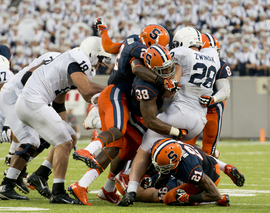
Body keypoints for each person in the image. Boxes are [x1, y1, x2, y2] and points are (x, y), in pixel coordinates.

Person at [68, 44, 188, 205]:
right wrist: (176, 131)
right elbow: (151, 120)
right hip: (121, 103)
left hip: (127, 107)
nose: (168, 72)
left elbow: (162, 82)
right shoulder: (145, 83)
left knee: (123, 151)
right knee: (137, 142)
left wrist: (169, 77)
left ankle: (101, 188)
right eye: (164, 69)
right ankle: (95, 132)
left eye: (169, 67)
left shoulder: (145, 61)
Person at [117, 26, 221, 206]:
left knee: (145, 148)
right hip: (199, 121)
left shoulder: (182, 53)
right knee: (177, 154)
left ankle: (132, 190)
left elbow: (161, 62)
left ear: (182, 42)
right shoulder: (214, 57)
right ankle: (171, 183)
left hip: (180, 113)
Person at [1, 36, 110, 204]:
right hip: (32, 101)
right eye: (100, 57)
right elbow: (87, 90)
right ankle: (58, 192)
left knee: (70, 137)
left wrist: (65, 124)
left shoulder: (71, 61)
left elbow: (59, 99)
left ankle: (29, 178)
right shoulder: (77, 60)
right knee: (64, 143)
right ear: (91, 53)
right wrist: (113, 90)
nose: (101, 62)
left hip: (30, 102)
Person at [72, 18, 178, 170]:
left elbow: (108, 47)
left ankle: (105, 185)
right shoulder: (140, 49)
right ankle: (97, 125)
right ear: (149, 43)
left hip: (117, 89)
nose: (161, 49)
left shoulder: (131, 40)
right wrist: (163, 82)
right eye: (158, 46)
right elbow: (137, 67)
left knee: (124, 140)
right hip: (121, 92)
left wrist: (104, 31)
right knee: (120, 130)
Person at [0, 52, 61, 200]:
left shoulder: (63, 66)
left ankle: (17, 171)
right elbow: (27, 77)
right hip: (15, 97)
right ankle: (7, 184)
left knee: (45, 136)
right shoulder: (57, 61)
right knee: (31, 141)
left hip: (22, 97)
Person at [135, 138, 230, 206]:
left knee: (168, 198)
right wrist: (148, 175)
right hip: (204, 164)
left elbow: (214, 194)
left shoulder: (191, 169)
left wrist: (188, 198)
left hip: (210, 175)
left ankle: (213, 201)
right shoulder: (163, 147)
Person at [186, 33, 231, 158]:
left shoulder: (220, 64)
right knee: (186, 145)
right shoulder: (187, 61)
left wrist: (213, 99)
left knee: (209, 148)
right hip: (193, 106)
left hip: (212, 107)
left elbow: (225, 90)